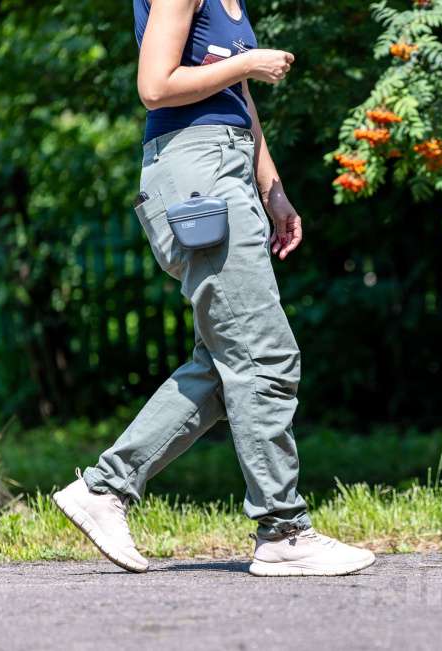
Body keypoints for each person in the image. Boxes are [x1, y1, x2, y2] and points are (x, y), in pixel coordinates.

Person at [51, 0, 375, 577]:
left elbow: (238, 103)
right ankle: (282, 531)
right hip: (197, 172)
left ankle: (104, 488)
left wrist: (272, 187)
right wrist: (247, 62)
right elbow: (156, 85)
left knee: (226, 362)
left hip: (227, 164)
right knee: (264, 356)